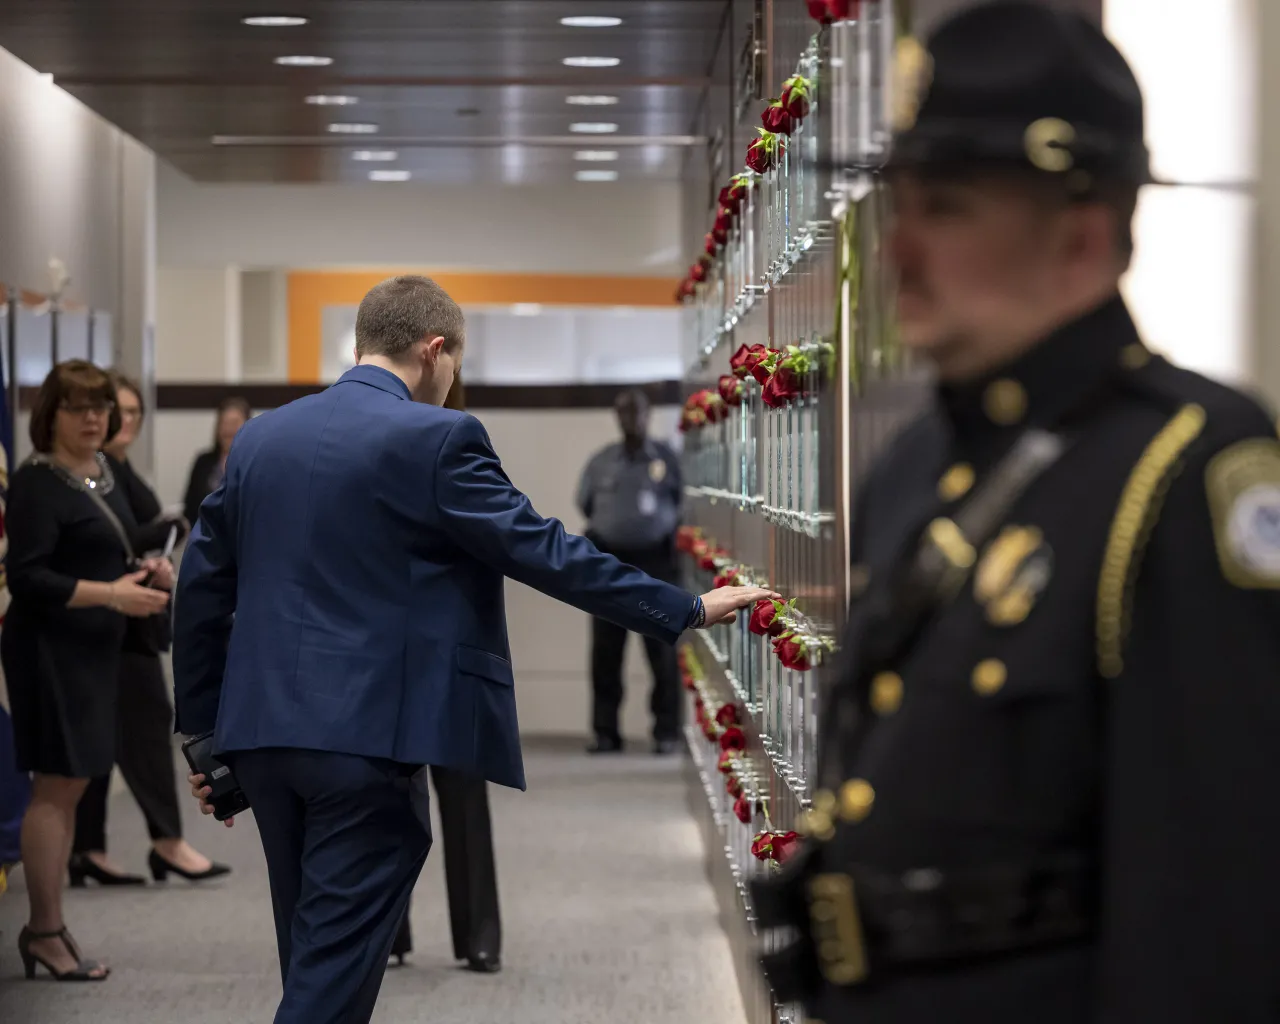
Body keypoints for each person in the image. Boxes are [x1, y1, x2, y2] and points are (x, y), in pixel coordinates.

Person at [752, 4, 1280, 1022]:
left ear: (1080, 232)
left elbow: (1215, 907)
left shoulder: (1183, 469)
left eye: (944, 208)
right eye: (895, 203)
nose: (897, 246)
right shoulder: (919, 461)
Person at [173, 275, 775, 1024]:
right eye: (455, 364)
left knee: (315, 952)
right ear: (434, 350)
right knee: (327, 978)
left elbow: (199, 589)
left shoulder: (262, 437)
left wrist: (203, 737)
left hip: (261, 736)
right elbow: (543, 550)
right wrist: (681, 608)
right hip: (365, 741)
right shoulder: (439, 436)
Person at [4, 361, 173, 981]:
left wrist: (146, 571)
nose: (95, 418)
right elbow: (27, 578)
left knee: (72, 786)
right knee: (55, 785)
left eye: (103, 407)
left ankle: (50, 926)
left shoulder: (102, 474)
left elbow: (117, 545)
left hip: (94, 650)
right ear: (50, 415)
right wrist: (111, 595)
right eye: (80, 408)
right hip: (50, 650)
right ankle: (44, 931)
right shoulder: (34, 484)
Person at [69, 371, 230, 887]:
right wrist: (164, 531)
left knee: (113, 735)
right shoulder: (84, 472)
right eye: (117, 411)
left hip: (127, 619)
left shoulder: (113, 469)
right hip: (105, 621)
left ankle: (93, 847)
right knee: (138, 730)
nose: (120, 421)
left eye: (131, 412)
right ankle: (163, 842)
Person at [390, 373, 504, 975]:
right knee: (390, 805)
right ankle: (389, 936)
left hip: (451, 652)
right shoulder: (376, 451)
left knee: (463, 801)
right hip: (386, 656)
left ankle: (479, 936)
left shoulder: (462, 443)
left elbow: (505, 540)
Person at [576, 389, 684, 754]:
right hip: (610, 563)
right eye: (624, 413)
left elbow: (682, 502)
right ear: (616, 416)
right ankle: (605, 732)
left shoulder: (667, 459)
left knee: (662, 654)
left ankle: (666, 732)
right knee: (605, 653)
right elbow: (585, 502)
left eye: (637, 412)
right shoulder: (601, 462)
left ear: (648, 414)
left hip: (656, 564)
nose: (631, 419)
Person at [181, 395, 250, 527]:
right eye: (224, 423)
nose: (229, 429)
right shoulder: (203, 462)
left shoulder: (255, 464)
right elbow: (189, 509)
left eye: (234, 423)